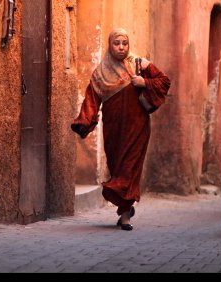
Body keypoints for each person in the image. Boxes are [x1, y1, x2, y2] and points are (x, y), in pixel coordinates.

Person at [71, 27, 171, 231]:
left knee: (129, 169)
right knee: (117, 166)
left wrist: (145, 82)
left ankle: (125, 215)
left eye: (124, 43)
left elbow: (164, 82)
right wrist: (84, 122)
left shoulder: (139, 64)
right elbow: (91, 100)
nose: (121, 47)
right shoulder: (100, 73)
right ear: (110, 45)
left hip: (138, 127)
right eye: (116, 43)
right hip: (114, 129)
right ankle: (126, 205)